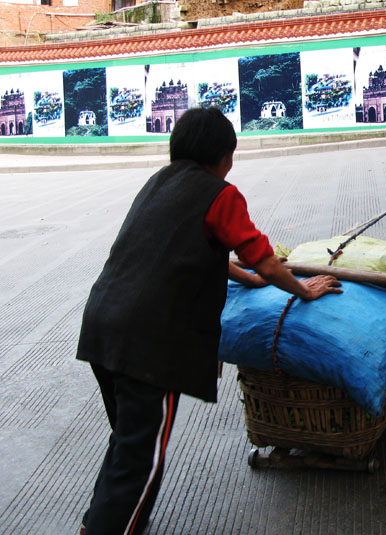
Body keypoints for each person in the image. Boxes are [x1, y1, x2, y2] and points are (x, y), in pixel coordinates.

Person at [76, 107, 342, 535]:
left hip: (103, 325)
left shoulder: (158, 184)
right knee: (140, 458)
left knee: (128, 441)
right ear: (224, 156)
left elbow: (195, 248)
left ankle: (97, 524)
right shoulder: (221, 194)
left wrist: (246, 277)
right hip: (148, 342)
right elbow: (269, 262)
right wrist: (304, 289)